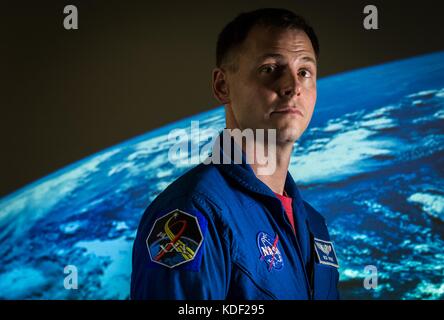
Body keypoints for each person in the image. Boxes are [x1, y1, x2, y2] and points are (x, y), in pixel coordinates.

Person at [131, 8, 340, 300]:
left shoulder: (313, 225)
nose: (293, 87)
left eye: (304, 71)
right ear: (222, 85)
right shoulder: (192, 213)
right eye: (270, 69)